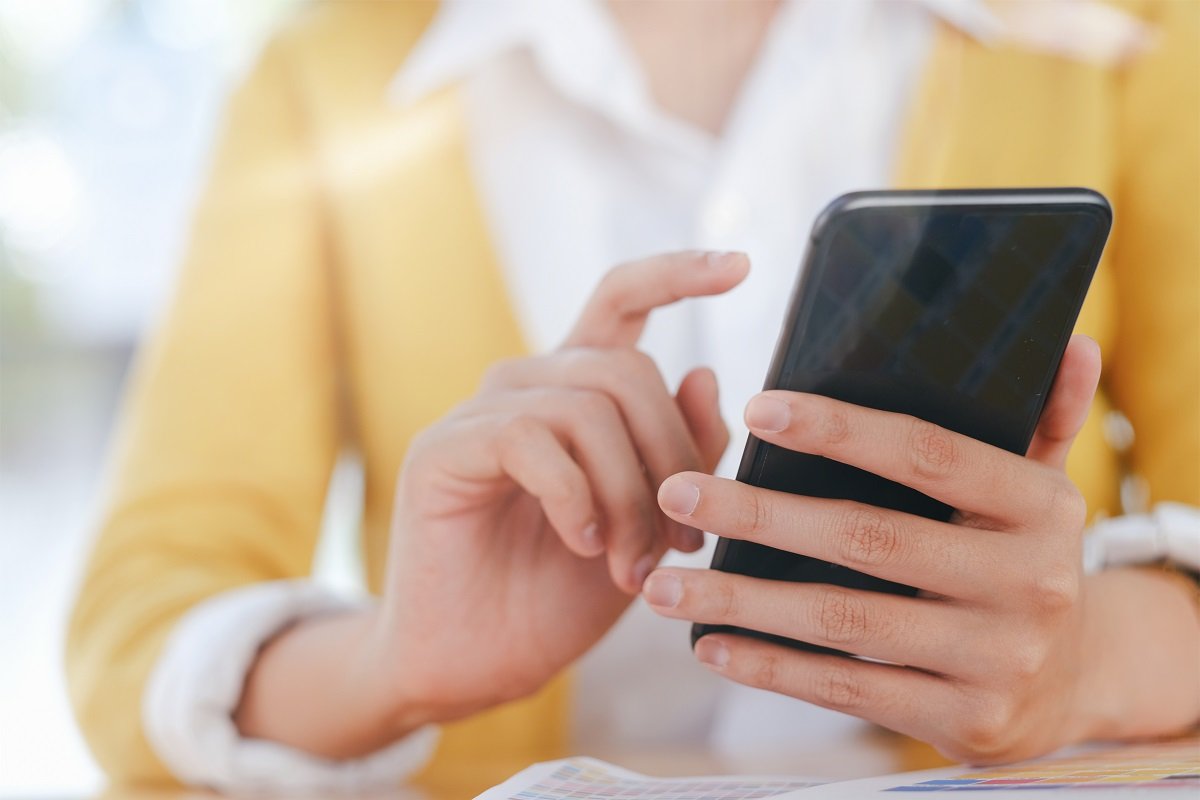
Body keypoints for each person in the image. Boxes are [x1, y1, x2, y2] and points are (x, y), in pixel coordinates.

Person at [66, 0, 1199, 794]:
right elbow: (140, 624)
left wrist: (1087, 661)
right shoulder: (321, 80)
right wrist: (388, 664)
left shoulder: (1129, 37)